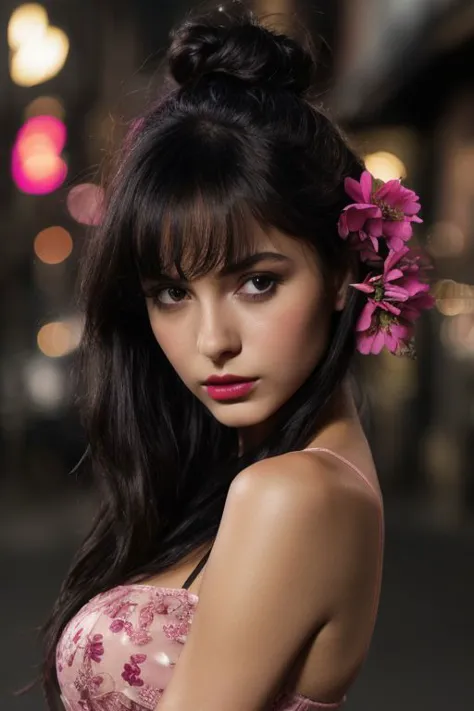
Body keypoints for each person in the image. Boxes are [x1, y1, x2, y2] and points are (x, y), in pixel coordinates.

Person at [41, 3, 434, 710]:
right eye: (171, 292)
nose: (212, 340)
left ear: (345, 269)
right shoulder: (265, 475)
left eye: (257, 282)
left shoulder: (292, 494)